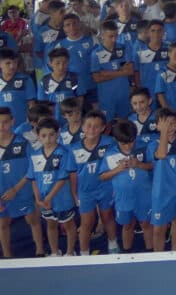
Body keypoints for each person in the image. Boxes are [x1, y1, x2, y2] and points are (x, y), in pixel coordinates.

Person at [98, 119, 153, 253]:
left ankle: (151, 253)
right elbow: (103, 176)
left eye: (131, 141)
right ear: (116, 140)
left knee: (146, 224)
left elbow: (153, 166)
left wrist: (139, 164)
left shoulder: (144, 147)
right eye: (124, 143)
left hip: (144, 196)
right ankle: (127, 253)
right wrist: (118, 169)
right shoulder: (110, 154)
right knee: (127, 225)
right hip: (123, 198)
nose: (128, 146)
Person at [28, 117, 78, 256]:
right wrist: (38, 199)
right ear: (38, 136)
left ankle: (69, 252)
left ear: (58, 134)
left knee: (68, 225)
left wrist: (48, 198)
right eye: (44, 135)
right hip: (44, 199)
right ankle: (55, 252)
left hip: (61, 198)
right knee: (51, 225)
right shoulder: (34, 155)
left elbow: (63, 178)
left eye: (51, 134)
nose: (48, 138)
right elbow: (33, 179)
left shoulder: (64, 153)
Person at [71, 110, 119, 255]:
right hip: (85, 190)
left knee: (107, 217)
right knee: (87, 222)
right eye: (89, 126)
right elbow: (73, 175)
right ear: (82, 127)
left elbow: (115, 165)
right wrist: (74, 194)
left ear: (103, 128)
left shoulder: (110, 143)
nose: (92, 129)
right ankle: (84, 252)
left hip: (105, 187)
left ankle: (113, 243)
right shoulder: (73, 149)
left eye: (96, 126)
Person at [0, 106, 44, 258]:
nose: (2, 127)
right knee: (3, 223)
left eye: (5, 122)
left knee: (32, 219)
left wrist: (16, 189)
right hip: (2, 193)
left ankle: (40, 251)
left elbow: (32, 170)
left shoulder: (24, 143)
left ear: (12, 122)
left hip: (22, 190)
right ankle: (7, 255)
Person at [147, 107, 176, 252]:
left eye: (172, 123)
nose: (170, 127)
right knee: (159, 229)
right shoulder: (153, 144)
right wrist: (164, 133)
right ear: (157, 125)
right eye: (165, 124)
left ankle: (175, 250)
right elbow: (162, 154)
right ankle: (158, 257)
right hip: (161, 192)